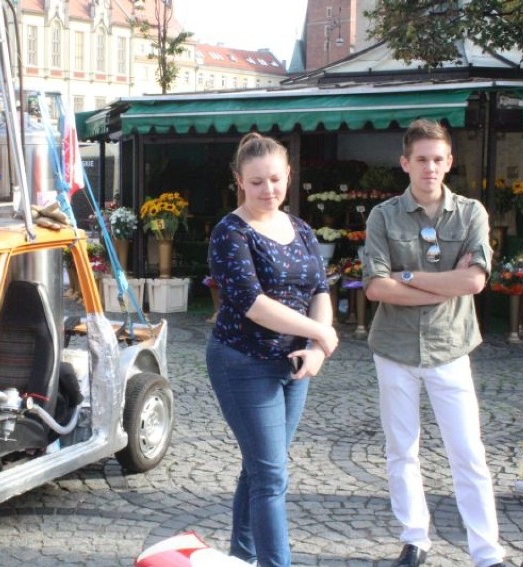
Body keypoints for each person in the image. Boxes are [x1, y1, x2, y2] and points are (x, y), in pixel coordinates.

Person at [362, 119, 506, 567]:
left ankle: (487, 553)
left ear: (449, 162)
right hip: (395, 348)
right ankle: (415, 539)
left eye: (438, 159)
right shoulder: (383, 215)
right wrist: (447, 284)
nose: (429, 168)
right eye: (421, 159)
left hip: (450, 347)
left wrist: (410, 277)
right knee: (401, 449)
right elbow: (376, 288)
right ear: (405, 163)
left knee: (468, 453)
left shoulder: (471, 213)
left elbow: (475, 281)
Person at [205, 132, 337, 567]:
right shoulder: (230, 232)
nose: (268, 190)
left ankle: (242, 554)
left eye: (275, 180)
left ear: (288, 176)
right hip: (242, 361)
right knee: (271, 474)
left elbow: (319, 288)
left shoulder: (299, 227)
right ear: (239, 181)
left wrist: (318, 346)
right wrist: (320, 333)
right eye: (257, 182)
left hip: (294, 364)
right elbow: (254, 305)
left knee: (261, 465)